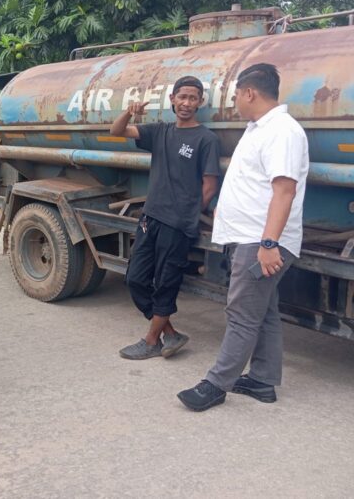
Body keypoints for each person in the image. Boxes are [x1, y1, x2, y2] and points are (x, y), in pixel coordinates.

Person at [178, 63, 309, 412]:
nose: (234, 100)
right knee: (263, 312)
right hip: (250, 238)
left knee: (241, 313)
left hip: (260, 242)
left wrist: (268, 244)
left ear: (250, 92)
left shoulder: (282, 131)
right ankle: (263, 381)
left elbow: (284, 191)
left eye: (236, 94)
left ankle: (215, 385)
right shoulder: (259, 129)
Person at [110, 76, 221, 360]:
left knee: (166, 283)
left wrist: (190, 213)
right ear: (172, 99)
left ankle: (151, 341)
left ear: (200, 102)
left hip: (179, 224)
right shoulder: (160, 131)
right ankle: (170, 333)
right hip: (151, 217)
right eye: (182, 97)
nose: (186, 103)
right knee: (135, 279)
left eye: (193, 98)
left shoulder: (206, 139)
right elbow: (116, 131)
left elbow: (209, 185)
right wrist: (128, 112)